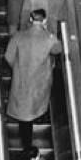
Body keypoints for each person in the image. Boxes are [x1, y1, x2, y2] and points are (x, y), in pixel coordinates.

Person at [5, 8, 62, 149]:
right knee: (37, 108)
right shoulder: (49, 38)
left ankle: (26, 146)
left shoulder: (18, 36)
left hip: (22, 81)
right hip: (40, 83)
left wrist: (17, 68)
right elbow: (58, 50)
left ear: (30, 19)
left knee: (24, 116)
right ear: (44, 20)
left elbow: (8, 56)